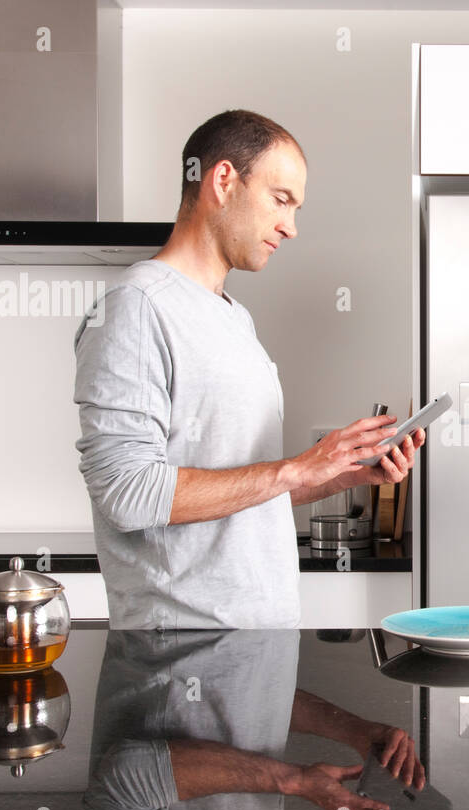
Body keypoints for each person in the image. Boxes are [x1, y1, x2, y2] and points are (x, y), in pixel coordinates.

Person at [74, 109, 423, 631]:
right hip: (181, 657)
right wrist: (298, 467)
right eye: (281, 199)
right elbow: (128, 492)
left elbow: (243, 489)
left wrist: (339, 474)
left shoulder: (234, 317)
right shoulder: (137, 306)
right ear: (222, 181)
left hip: (256, 639)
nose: (291, 226)